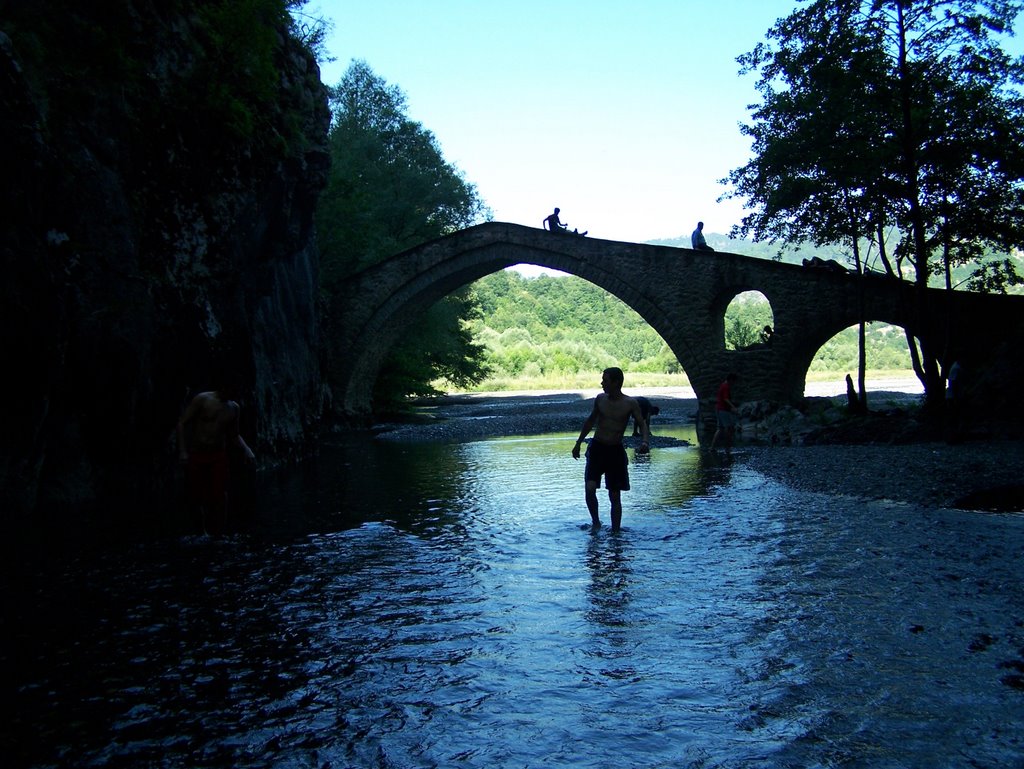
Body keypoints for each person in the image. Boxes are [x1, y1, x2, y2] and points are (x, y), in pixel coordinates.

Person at [571, 367, 650, 531]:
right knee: (590, 488)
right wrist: (578, 443)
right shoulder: (600, 399)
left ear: (616, 383)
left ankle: (615, 531)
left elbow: (642, 423)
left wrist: (645, 442)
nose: (602, 383)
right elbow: (590, 420)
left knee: (614, 495)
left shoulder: (630, 403)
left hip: (615, 451)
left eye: (605, 380)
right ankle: (596, 522)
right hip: (597, 448)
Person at [177, 388, 256, 534]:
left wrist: (247, 449)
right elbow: (182, 423)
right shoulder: (203, 399)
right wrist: (183, 451)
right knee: (196, 494)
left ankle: (219, 532)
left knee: (220, 494)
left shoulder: (234, 408)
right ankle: (200, 531)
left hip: (218, 455)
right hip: (197, 453)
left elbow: (235, 435)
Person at [709, 372, 739, 455]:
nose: (734, 384)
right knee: (729, 429)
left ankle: (712, 447)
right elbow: (726, 399)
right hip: (723, 410)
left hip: (719, 409)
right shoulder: (726, 387)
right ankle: (727, 449)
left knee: (720, 429)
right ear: (731, 380)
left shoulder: (723, 385)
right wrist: (733, 407)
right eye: (734, 381)